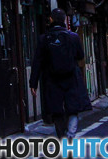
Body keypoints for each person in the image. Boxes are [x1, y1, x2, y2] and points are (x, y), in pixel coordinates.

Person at [29, 8, 91, 140]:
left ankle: (62, 137)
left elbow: (37, 62)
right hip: (71, 78)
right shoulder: (73, 37)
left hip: (52, 79)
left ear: (50, 19)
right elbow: (80, 56)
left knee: (57, 110)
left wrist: (33, 83)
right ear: (64, 20)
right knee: (73, 109)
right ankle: (71, 135)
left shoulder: (44, 39)